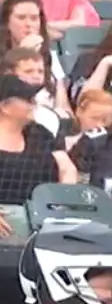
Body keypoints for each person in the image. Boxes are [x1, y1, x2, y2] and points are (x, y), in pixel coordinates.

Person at [0, 74, 76, 208]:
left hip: (42, 215)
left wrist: (64, 196)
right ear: (5, 107)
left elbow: (67, 168)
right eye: (28, 100)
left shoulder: (40, 133)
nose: (34, 105)